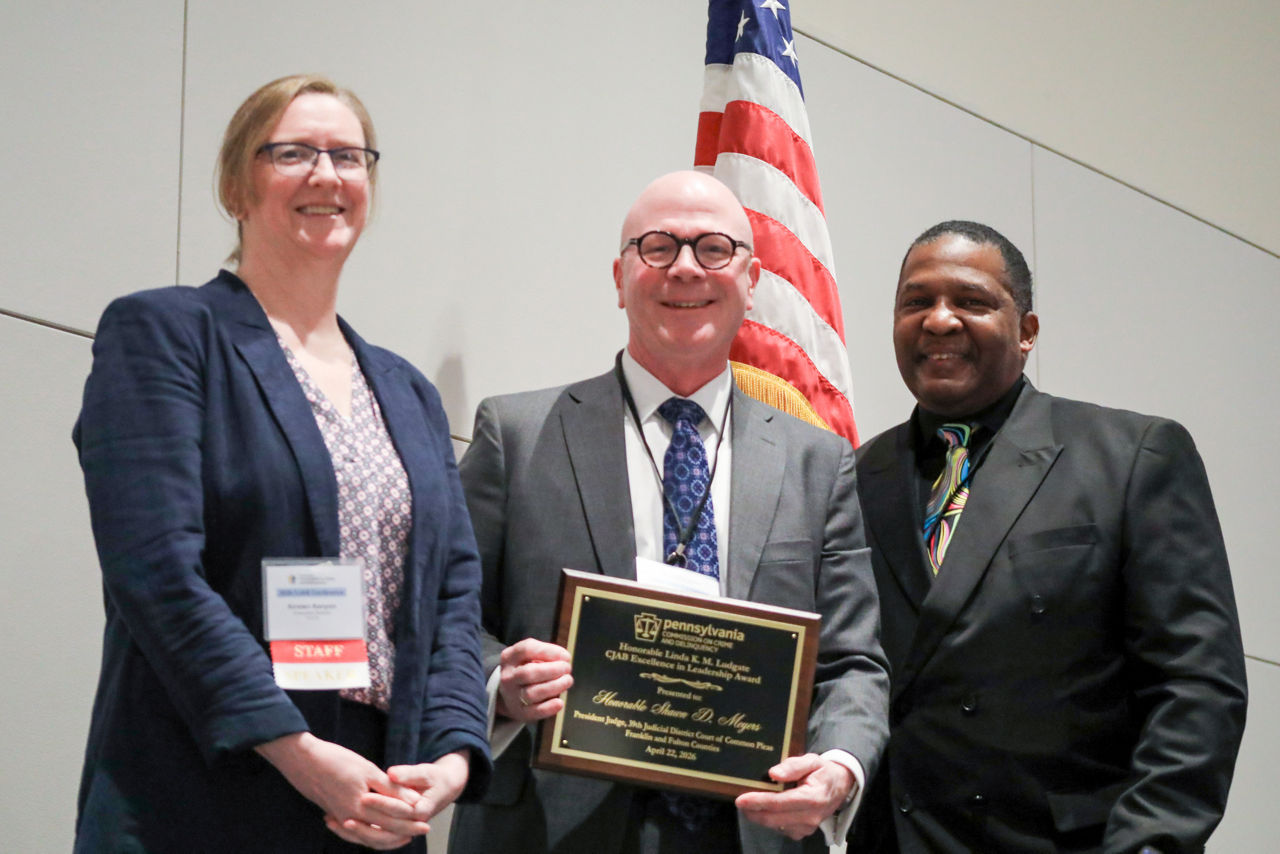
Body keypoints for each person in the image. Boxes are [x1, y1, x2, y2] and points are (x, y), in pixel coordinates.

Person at [72, 74, 491, 853]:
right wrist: (294, 749)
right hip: (201, 793)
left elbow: (454, 598)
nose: (326, 175)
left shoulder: (409, 393)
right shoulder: (166, 334)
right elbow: (155, 572)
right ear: (237, 184)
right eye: (293, 152)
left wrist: (451, 757)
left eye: (349, 156)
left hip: (374, 805)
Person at [447, 170, 890, 854]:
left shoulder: (818, 462)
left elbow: (852, 663)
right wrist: (500, 681)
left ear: (752, 278)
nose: (685, 268)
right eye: (657, 247)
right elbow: (446, 618)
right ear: (620, 277)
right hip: (550, 829)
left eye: (714, 248)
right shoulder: (516, 434)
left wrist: (837, 767)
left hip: (752, 830)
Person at [850, 220, 1248, 853]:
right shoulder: (850, 480)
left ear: (1027, 331)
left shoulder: (1131, 456)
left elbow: (1195, 685)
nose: (940, 320)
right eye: (916, 302)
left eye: (971, 301)